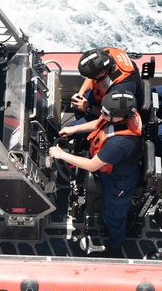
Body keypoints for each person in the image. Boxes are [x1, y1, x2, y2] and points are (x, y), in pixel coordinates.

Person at [50, 90, 142, 257]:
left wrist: (62, 155)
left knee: (113, 216)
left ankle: (115, 246)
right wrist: (74, 129)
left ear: (119, 117)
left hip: (119, 181)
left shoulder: (119, 143)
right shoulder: (122, 115)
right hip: (110, 164)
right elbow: (100, 124)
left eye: (105, 112)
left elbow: (92, 166)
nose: (101, 112)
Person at [70, 47, 143, 124]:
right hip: (103, 95)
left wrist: (88, 108)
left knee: (73, 128)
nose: (91, 79)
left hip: (115, 110)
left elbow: (115, 116)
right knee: (76, 105)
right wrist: (81, 92)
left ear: (102, 73)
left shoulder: (121, 87)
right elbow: (92, 74)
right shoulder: (105, 55)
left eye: (93, 77)